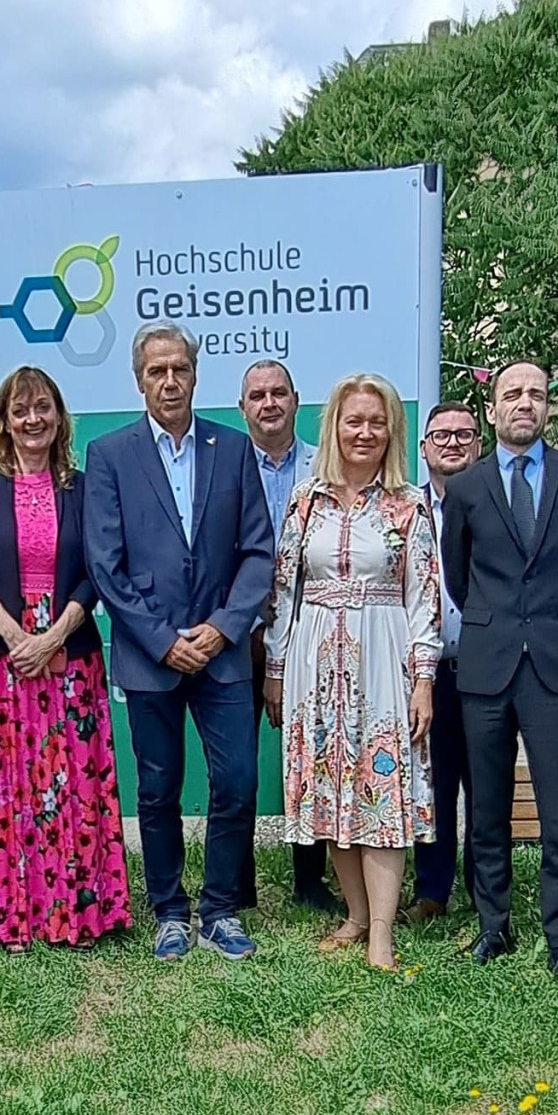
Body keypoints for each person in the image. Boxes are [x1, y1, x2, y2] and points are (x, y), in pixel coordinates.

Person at [84, 321, 275, 963]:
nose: (169, 381)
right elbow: (105, 564)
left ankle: (219, 910)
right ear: (139, 380)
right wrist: (163, 640)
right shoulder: (110, 454)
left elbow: (258, 552)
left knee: (238, 781)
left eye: (179, 369)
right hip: (150, 656)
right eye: (156, 371)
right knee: (158, 789)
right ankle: (169, 910)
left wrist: (223, 627)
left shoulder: (233, 448)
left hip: (223, 654)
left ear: (195, 375)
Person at [0, 366, 131, 951]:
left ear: (59, 415)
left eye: (43, 407)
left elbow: (98, 570)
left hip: (69, 654)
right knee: (7, 786)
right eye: (20, 409)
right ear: (4, 420)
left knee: (72, 785)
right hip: (0, 657)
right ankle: (11, 913)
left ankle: (77, 911)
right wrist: (13, 635)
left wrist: (51, 637)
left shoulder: (81, 486)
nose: (33, 419)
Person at [441, 360, 558, 978]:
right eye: (512, 393)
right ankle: (494, 925)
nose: (525, 403)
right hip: (486, 666)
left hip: (553, 664)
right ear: (492, 409)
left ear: (548, 408)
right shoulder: (466, 487)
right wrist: (500, 622)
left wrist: (549, 619)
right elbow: (458, 576)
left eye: (536, 394)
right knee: (487, 807)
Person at [265, 375, 439, 970]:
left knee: (379, 791)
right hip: (313, 659)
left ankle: (382, 932)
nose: (364, 433)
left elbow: (424, 598)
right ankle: (356, 915)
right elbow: (284, 591)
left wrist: (423, 678)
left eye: (376, 422)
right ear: (334, 427)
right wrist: (276, 669)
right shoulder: (305, 500)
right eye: (353, 421)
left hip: (383, 657)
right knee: (329, 789)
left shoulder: (408, 504)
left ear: (392, 431)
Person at [237, 358, 334, 913]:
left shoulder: (326, 467)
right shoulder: (226, 466)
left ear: (296, 401)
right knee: (237, 763)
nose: (269, 403)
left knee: (312, 756)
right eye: (258, 395)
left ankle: (309, 881)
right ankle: (238, 884)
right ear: (242, 408)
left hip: (310, 631)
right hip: (242, 632)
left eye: (279, 393)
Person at [404, 399, 483, 924]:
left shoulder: (496, 504)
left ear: (479, 444)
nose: (452, 442)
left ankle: (485, 891)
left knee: (485, 786)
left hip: (484, 672)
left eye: (464, 434)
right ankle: (431, 891)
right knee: (430, 785)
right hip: (424, 677)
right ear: (424, 446)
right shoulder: (403, 510)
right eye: (441, 434)